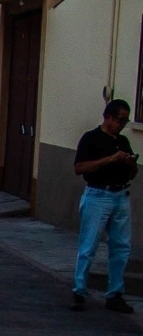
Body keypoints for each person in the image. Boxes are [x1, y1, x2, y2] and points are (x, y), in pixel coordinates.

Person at [72, 98, 137, 312]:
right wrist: (109, 159)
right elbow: (79, 167)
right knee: (89, 245)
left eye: (125, 121)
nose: (121, 125)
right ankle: (79, 290)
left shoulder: (123, 141)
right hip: (98, 195)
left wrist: (129, 163)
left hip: (121, 194)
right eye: (119, 120)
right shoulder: (91, 138)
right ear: (108, 117)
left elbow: (133, 173)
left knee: (121, 247)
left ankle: (115, 293)